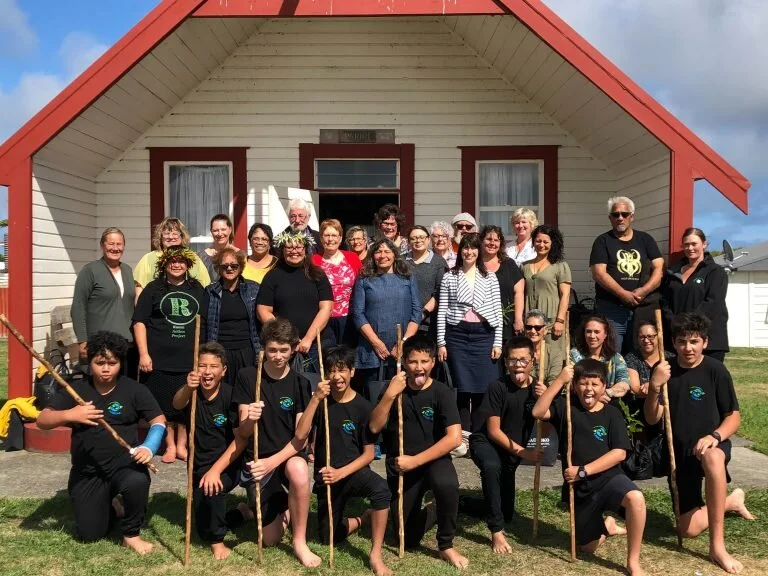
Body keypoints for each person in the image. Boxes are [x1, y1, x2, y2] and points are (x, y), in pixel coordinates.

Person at [37, 331, 165, 554]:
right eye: (100, 363)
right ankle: (112, 505)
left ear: (120, 363)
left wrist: (149, 447)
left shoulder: (133, 389)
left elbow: (159, 420)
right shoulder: (75, 389)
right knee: (90, 535)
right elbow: (42, 420)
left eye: (112, 363)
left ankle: (131, 534)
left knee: (137, 481)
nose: (106, 369)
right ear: (90, 361)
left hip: (124, 466)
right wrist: (70, 415)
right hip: (88, 471)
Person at [645, 313, 754, 575]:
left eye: (694, 341)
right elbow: (652, 418)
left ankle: (717, 546)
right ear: (673, 342)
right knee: (688, 529)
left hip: (710, 445)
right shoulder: (665, 370)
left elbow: (733, 416)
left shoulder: (716, 370)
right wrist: (654, 386)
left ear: (705, 342)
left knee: (713, 457)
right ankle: (729, 501)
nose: (688, 348)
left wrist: (714, 437)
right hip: (680, 455)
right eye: (682, 341)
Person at [533, 358, 647, 576]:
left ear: (604, 386)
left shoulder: (612, 413)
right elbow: (538, 412)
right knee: (588, 547)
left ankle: (633, 562)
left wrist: (583, 470)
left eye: (595, 384)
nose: (589, 389)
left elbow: (620, 453)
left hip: (608, 478)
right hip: (581, 488)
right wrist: (559, 381)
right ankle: (608, 527)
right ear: (575, 385)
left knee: (636, 498)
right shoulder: (567, 407)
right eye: (584, 383)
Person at [225, 318, 320, 567]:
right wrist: (250, 419)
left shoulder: (300, 383)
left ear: (293, 349)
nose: (278, 356)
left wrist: (272, 463)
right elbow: (243, 434)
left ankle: (299, 541)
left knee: (299, 470)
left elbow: (301, 439)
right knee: (270, 539)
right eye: (272, 350)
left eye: (284, 350)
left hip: (286, 456)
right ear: (263, 348)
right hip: (257, 459)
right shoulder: (248, 377)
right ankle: (272, 507)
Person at [368, 335, 469, 569]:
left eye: (425, 361)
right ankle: (434, 510)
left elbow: (454, 438)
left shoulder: (442, 392)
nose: (419, 368)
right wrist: (390, 395)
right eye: (413, 362)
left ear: (433, 362)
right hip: (401, 464)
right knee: (406, 538)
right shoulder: (393, 389)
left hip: (433, 459)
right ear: (404, 362)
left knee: (447, 484)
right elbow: (374, 427)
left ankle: (446, 545)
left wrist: (416, 461)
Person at [294, 345, 391, 576]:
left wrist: (341, 473)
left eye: (342, 370)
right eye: (331, 371)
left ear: (352, 372)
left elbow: (369, 454)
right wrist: (316, 399)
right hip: (326, 476)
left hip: (353, 472)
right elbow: (300, 435)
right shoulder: (321, 402)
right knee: (329, 536)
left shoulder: (363, 407)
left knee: (381, 490)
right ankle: (361, 519)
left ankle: (375, 554)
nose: (336, 377)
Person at [464, 336, 562, 553]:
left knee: (506, 510)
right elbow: (493, 431)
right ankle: (496, 531)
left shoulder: (538, 389)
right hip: (487, 442)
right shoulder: (497, 387)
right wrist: (523, 452)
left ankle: (461, 502)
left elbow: (547, 423)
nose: (518, 366)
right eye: (513, 360)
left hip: (512, 450)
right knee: (491, 468)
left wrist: (545, 395)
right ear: (506, 362)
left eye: (523, 360)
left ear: (533, 361)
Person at [133, 247, 207, 464]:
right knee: (162, 404)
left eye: (181, 261)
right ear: (164, 264)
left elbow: (206, 320)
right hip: (159, 360)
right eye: (172, 261)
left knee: (184, 405)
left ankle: (182, 444)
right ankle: (170, 445)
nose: (177, 265)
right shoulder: (153, 289)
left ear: (188, 265)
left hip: (188, 360)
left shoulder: (197, 289)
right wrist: (144, 354)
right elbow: (139, 322)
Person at [172, 342, 240, 560]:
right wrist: (188, 388)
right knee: (202, 527)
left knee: (214, 490)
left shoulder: (231, 396)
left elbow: (240, 441)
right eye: (202, 366)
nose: (207, 372)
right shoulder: (191, 393)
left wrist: (216, 471)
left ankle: (218, 541)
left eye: (214, 366)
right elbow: (176, 404)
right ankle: (242, 513)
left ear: (224, 370)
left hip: (228, 463)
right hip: (199, 464)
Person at [438, 233, 503, 450]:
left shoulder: (490, 276)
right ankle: (462, 438)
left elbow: (497, 310)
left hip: (484, 334)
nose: (469, 252)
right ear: (460, 250)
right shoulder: (450, 276)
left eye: (473, 248)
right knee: (462, 388)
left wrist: (498, 343)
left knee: (483, 388)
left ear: (479, 251)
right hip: (457, 335)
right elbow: (442, 311)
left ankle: (479, 436)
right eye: (465, 248)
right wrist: (441, 342)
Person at [590, 196, 664, 354]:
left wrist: (643, 291)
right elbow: (599, 273)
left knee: (641, 353)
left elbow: (659, 268)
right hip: (612, 309)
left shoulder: (646, 240)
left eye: (624, 214)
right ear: (610, 218)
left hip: (642, 308)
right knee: (612, 354)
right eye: (615, 214)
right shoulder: (602, 241)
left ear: (632, 216)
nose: (620, 218)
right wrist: (623, 294)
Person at [351, 238, 421, 396]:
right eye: (378, 251)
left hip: (401, 348)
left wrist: (404, 342)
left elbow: (417, 312)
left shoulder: (407, 278)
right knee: (374, 397)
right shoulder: (364, 279)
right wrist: (376, 343)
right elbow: (358, 313)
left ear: (395, 255)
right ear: (372, 256)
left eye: (387, 251)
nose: (383, 255)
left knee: (401, 398)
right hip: (372, 349)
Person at [257, 230, 333, 371]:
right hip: (283, 347)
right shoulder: (272, 276)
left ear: (305, 249)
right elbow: (263, 310)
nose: (294, 251)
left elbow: (326, 308)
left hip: (317, 344)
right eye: (289, 247)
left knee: (316, 387)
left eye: (298, 247)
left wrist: (308, 338)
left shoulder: (318, 275)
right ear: (282, 250)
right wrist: (287, 337)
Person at [71, 227, 137, 374]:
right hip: (100, 345)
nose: (115, 248)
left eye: (119, 244)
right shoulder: (90, 271)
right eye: (111, 244)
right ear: (102, 245)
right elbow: (78, 306)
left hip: (126, 344)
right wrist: (82, 341)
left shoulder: (127, 270)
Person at [663, 227, 729, 362]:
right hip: (678, 339)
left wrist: (687, 325)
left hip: (708, 341)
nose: (690, 248)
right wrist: (674, 322)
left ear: (704, 244)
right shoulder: (673, 272)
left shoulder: (715, 272)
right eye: (686, 244)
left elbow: (712, 303)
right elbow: (664, 300)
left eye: (694, 244)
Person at [204, 247, 261, 385]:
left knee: (246, 389)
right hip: (220, 351)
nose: (229, 268)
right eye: (225, 266)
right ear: (218, 268)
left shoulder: (254, 289)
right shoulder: (210, 292)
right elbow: (204, 324)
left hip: (247, 350)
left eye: (234, 265)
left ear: (240, 267)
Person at [521, 224, 572, 373]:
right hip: (530, 322)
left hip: (551, 320)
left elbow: (565, 295)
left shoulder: (560, 266)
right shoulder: (524, 266)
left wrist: (560, 321)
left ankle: (551, 390)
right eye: (538, 241)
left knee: (552, 357)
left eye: (545, 242)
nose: (541, 245)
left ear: (552, 243)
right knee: (530, 355)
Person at [311, 219, 363, 348]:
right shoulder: (313, 261)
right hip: (324, 319)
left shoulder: (352, 258)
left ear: (340, 238)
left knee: (348, 356)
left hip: (349, 318)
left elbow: (362, 285)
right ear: (321, 239)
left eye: (334, 235)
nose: (330, 239)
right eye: (326, 235)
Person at [624, 320, 674, 439]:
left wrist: (651, 387)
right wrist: (654, 387)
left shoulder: (670, 358)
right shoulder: (632, 358)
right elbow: (635, 389)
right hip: (639, 409)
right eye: (642, 337)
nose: (646, 341)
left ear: (658, 336)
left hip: (666, 407)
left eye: (650, 336)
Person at [133, 217, 210, 293]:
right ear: (160, 236)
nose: (171, 237)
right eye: (167, 233)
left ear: (182, 236)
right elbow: (139, 290)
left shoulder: (193, 258)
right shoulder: (148, 258)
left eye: (175, 233)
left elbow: (205, 287)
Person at [570, 315, 630, 402]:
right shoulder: (574, 355)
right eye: (588, 331)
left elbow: (625, 383)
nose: (592, 336)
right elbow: (570, 384)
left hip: (607, 403)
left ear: (605, 334)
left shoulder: (615, 357)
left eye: (597, 332)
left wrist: (604, 394)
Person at [480, 225, 524, 342]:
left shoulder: (509, 264)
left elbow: (519, 293)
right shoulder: (475, 264)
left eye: (496, 240)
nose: (492, 243)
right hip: (480, 324)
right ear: (481, 241)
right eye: (489, 239)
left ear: (500, 243)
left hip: (506, 324)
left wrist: (518, 319)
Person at [405, 225, 448, 339]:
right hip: (404, 322)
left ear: (428, 239)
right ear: (409, 241)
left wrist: (421, 314)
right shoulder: (401, 262)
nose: (418, 241)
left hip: (429, 324)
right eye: (413, 238)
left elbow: (440, 293)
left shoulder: (439, 262)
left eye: (421, 237)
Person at [197, 214, 238, 282]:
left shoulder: (239, 255)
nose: (220, 233)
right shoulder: (201, 257)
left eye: (223, 229)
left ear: (230, 230)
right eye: (215, 230)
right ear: (211, 232)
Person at [524, 309, 559, 384]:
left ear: (545, 330)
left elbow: (554, 379)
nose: (533, 331)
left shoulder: (555, 353)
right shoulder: (518, 351)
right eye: (529, 327)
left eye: (537, 328)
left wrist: (545, 389)